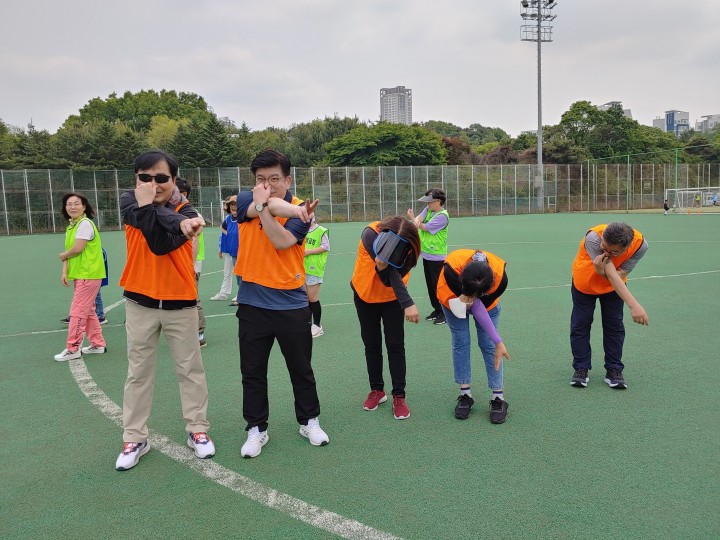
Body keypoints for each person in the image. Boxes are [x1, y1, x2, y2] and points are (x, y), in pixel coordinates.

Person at [115, 150, 215, 471]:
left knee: (190, 370)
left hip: (180, 302)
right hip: (139, 301)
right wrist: (177, 222)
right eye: (145, 178)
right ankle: (134, 437)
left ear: (174, 180)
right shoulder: (129, 202)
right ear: (136, 179)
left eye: (161, 178)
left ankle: (197, 430)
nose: (153, 184)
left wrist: (182, 221)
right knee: (138, 372)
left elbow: (160, 242)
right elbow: (154, 222)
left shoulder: (188, 211)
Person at [234, 149, 328, 458]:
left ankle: (309, 421)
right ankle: (256, 429)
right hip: (252, 304)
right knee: (253, 372)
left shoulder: (303, 210)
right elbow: (271, 204)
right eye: (261, 179)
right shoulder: (246, 199)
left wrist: (284, 210)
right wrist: (266, 204)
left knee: (301, 369)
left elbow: (281, 241)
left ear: (287, 180)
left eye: (275, 178)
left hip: (291, 303)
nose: (268, 185)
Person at [351, 215, 420, 420]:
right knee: (371, 344)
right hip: (364, 295)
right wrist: (408, 303)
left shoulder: (410, 246)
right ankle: (377, 390)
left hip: (391, 299)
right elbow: (387, 270)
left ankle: (399, 395)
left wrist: (403, 302)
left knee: (395, 346)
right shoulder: (370, 234)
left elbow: (392, 277)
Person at [570, 222, 649, 390]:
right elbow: (612, 274)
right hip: (584, 284)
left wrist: (601, 271)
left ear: (626, 248)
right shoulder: (593, 238)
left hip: (613, 288)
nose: (606, 253)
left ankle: (614, 370)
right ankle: (581, 368)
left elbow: (620, 274)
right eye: (604, 248)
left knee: (614, 326)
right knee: (580, 325)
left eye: (613, 252)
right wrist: (634, 305)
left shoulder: (640, 245)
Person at [436, 249, 511, 423]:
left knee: (488, 345)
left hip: (488, 307)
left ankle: (498, 396)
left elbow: (479, 308)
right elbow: (473, 304)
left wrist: (497, 342)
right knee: (461, 343)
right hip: (452, 300)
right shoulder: (451, 270)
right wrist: (498, 340)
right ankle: (465, 394)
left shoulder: (500, 280)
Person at [54, 193, 108, 361]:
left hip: (88, 274)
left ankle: (73, 348)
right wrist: (65, 271)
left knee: (77, 312)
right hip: (82, 274)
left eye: (77, 203)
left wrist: (64, 255)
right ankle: (98, 344)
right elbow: (70, 252)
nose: (73, 207)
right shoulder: (72, 226)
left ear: (84, 207)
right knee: (89, 311)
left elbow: (77, 248)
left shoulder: (84, 224)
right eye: (69, 204)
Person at [407, 188, 449, 325]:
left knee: (438, 286)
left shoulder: (442, 216)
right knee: (431, 286)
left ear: (438, 201)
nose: (428, 204)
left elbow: (424, 227)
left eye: (430, 202)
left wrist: (413, 219)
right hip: (427, 255)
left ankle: (444, 313)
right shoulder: (428, 210)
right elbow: (419, 220)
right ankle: (437, 309)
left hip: (437, 257)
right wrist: (416, 219)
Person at [176, 178, 207, 348]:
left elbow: (194, 239)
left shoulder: (191, 213)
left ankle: (199, 332)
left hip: (191, 264)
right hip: (180, 264)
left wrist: (190, 265)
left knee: (193, 297)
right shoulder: (173, 211)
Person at [210, 195, 240, 303]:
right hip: (230, 250)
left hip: (240, 250)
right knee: (228, 272)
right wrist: (221, 247)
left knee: (240, 274)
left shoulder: (242, 219)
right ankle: (224, 293)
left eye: (235, 204)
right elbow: (222, 231)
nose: (233, 207)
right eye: (231, 204)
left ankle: (242, 294)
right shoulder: (228, 219)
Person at [304, 216, 330, 338]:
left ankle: (317, 325)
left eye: (310, 214)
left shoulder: (321, 230)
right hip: (301, 268)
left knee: (312, 298)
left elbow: (325, 247)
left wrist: (308, 252)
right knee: (304, 298)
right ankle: (307, 323)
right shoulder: (301, 229)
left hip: (314, 269)